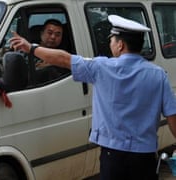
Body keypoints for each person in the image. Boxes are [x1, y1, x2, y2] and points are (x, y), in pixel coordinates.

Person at [10, 14, 176, 180]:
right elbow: (172, 116)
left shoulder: (101, 67)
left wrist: (30, 48)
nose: (110, 44)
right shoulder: (158, 75)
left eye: (111, 40)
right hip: (145, 156)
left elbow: (63, 59)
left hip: (113, 156)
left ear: (120, 45)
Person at [31, 19, 70, 83]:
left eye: (57, 35)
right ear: (41, 34)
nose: (53, 37)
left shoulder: (64, 57)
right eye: (50, 33)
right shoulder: (30, 51)